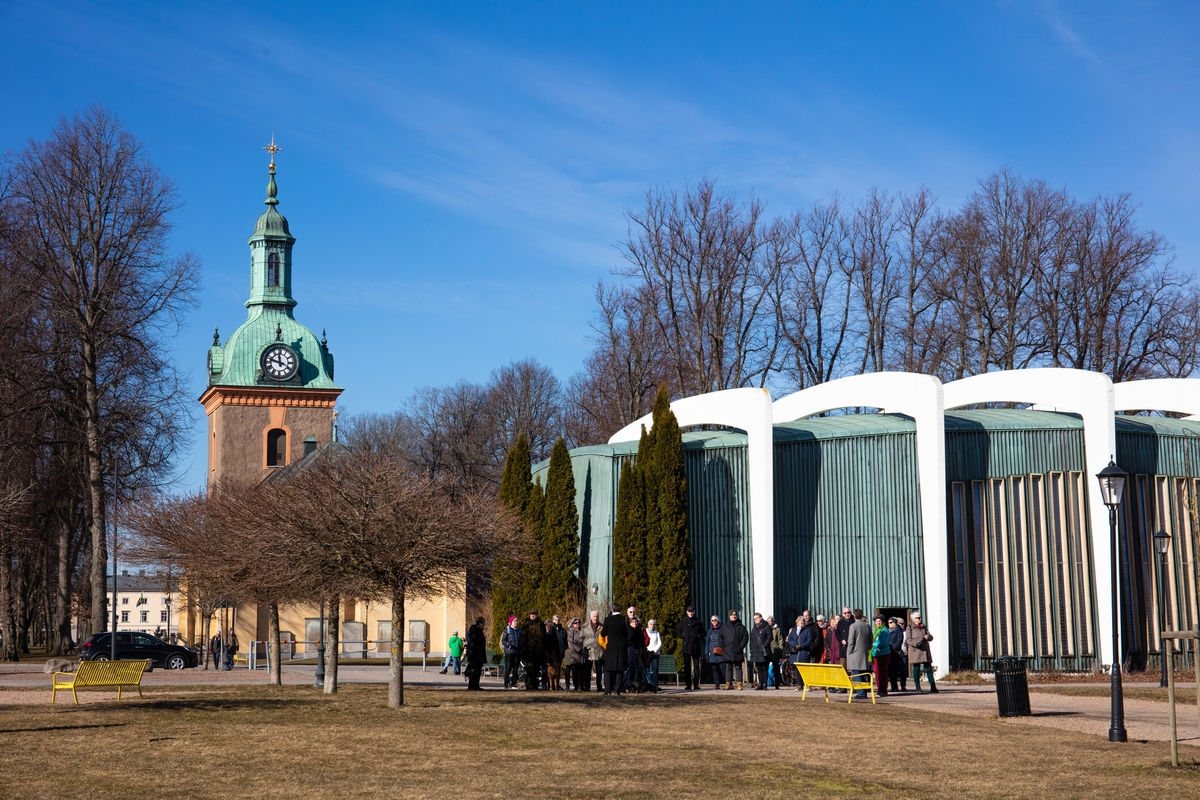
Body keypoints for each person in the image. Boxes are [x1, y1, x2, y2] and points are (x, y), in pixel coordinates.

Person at [600, 603, 630, 696]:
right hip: (621, 648)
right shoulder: (624, 620)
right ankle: (617, 691)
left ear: (612, 610)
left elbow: (603, 633)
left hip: (611, 647)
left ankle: (608, 691)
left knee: (608, 669)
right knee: (619, 670)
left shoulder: (608, 620)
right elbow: (628, 634)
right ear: (620, 610)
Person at [905, 611, 938, 693]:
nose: (920, 619)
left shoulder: (923, 626)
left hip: (924, 650)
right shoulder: (909, 627)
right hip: (916, 650)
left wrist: (928, 637)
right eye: (918, 618)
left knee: (928, 668)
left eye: (920, 617)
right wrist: (916, 643)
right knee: (916, 668)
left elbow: (931, 637)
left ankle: (933, 686)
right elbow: (908, 640)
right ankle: (917, 687)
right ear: (913, 619)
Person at [676, 605, 706, 691]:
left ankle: (696, 685)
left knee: (696, 666)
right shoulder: (683, 622)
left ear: (694, 612)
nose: (691, 613)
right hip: (686, 646)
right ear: (687, 612)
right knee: (687, 666)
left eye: (692, 611)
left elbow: (703, 632)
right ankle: (688, 685)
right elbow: (678, 633)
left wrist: (698, 635)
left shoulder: (698, 622)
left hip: (695, 646)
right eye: (689, 611)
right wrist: (684, 636)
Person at [719, 610, 749, 690]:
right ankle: (728, 684)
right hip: (727, 651)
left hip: (737, 651)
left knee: (738, 668)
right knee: (728, 668)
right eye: (732, 615)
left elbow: (745, 637)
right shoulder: (724, 627)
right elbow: (720, 637)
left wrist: (741, 646)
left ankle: (739, 684)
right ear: (729, 616)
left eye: (735, 615)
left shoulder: (741, 627)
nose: (734, 616)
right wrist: (723, 646)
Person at [846, 609, 871, 700]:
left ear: (854, 616)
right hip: (864, 652)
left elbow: (851, 641)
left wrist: (849, 652)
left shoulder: (853, 626)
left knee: (856, 673)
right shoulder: (867, 626)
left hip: (855, 653)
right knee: (863, 673)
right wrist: (867, 649)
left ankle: (861, 693)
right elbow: (871, 640)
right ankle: (864, 692)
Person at [786, 614, 814, 691]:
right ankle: (799, 684)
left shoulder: (807, 630)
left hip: (803, 652)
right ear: (797, 622)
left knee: (805, 670)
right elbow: (790, 639)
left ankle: (807, 685)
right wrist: (795, 645)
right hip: (795, 653)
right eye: (799, 622)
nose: (801, 624)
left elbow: (809, 639)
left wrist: (802, 645)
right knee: (797, 670)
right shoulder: (793, 630)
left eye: (802, 622)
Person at [520, 609, 545, 690]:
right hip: (529, 650)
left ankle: (535, 684)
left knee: (536, 668)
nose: (533, 615)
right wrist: (524, 648)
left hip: (539, 650)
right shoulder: (526, 624)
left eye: (534, 614)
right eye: (531, 614)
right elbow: (522, 637)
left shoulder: (541, 624)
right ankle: (529, 684)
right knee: (529, 668)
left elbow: (544, 637)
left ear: (537, 614)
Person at [749, 612, 772, 690]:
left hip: (764, 650)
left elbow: (770, 637)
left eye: (757, 618)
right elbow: (752, 639)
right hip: (756, 651)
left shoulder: (766, 627)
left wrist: (765, 645)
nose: (755, 620)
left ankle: (765, 684)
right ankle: (760, 684)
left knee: (764, 667)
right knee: (758, 667)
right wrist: (751, 647)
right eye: (754, 619)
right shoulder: (754, 629)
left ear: (761, 618)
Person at [582, 610, 605, 692]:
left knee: (599, 671)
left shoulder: (602, 626)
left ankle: (599, 686)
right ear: (591, 617)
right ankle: (587, 686)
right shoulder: (584, 627)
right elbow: (581, 638)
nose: (595, 618)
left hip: (599, 652)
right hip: (588, 651)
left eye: (597, 616)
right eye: (594, 616)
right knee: (587, 670)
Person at [870, 615, 891, 698]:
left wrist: (872, 644)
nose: (878, 622)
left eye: (879, 621)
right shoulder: (875, 630)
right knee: (877, 673)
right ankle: (879, 689)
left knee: (882, 672)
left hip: (883, 654)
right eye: (877, 621)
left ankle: (883, 690)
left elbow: (883, 643)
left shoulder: (884, 630)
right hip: (875, 654)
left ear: (882, 622)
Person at [626, 616, 649, 693]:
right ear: (630, 623)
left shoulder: (640, 630)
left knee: (639, 670)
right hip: (632, 651)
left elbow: (642, 641)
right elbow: (628, 641)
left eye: (636, 622)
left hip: (639, 651)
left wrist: (641, 649)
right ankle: (630, 687)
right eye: (633, 622)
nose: (635, 623)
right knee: (631, 670)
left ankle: (639, 687)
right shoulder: (629, 630)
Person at [464, 616, 487, 691]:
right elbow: (473, 643)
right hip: (475, 654)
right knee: (474, 671)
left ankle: (476, 685)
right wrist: (472, 653)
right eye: (483, 624)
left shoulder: (479, 631)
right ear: (480, 623)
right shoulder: (475, 632)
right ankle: (472, 685)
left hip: (478, 654)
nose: (484, 625)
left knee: (477, 670)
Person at [565, 617, 587, 691]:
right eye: (575, 623)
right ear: (573, 624)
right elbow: (570, 643)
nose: (577, 624)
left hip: (582, 655)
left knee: (582, 672)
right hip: (574, 655)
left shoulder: (583, 631)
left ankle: (582, 686)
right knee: (575, 672)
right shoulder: (571, 632)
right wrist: (579, 649)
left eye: (579, 622)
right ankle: (576, 686)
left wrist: (584, 649)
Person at [500, 616, 521, 689]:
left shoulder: (519, 630)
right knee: (508, 668)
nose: (516, 622)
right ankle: (506, 683)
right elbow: (503, 640)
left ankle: (514, 683)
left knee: (516, 669)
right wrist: (508, 644)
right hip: (509, 652)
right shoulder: (507, 630)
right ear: (511, 622)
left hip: (517, 652)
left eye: (517, 621)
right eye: (515, 621)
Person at [887, 618, 907, 692]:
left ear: (895, 623)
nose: (889, 624)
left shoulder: (898, 630)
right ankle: (894, 686)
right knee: (891, 670)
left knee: (900, 670)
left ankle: (902, 686)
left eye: (891, 622)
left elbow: (899, 641)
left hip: (896, 653)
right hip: (889, 652)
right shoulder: (888, 631)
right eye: (888, 622)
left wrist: (893, 648)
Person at [705, 615, 724, 689]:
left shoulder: (722, 629)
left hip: (721, 652)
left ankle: (727, 683)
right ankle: (716, 684)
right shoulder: (709, 631)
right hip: (712, 652)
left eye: (715, 620)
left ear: (718, 620)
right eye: (712, 620)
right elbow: (707, 642)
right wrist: (706, 653)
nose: (714, 621)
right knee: (714, 669)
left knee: (722, 668)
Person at [550, 615, 568, 689]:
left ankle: (557, 685)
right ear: (553, 620)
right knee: (550, 670)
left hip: (560, 653)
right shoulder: (551, 629)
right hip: (552, 653)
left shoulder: (563, 630)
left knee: (558, 670)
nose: (557, 621)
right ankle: (550, 685)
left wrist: (563, 650)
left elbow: (565, 641)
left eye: (558, 619)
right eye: (555, 619)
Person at [544, 621, 562, 690]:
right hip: (545, 654)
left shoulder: (554, 634)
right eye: (547, 627)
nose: (548, 628)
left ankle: (555, 686)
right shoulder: (543, 633)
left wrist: (558, 654)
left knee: (555, 673)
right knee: (546, 673)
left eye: (550, 627)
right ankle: (546, 686)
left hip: (553, 655)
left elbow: (557, 644)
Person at [645, 619, 663, 691]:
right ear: (648, 624)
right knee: (646, 669)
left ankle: (655, 686)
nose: (652, 626)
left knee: (655, 670)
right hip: (647, 653)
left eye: (653, 624)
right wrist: (648, 650)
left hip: (655, 654)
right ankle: (648, 685)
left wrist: (654, 650)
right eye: (650, 624)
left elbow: (659, 643)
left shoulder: (656, 633)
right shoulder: (645, 631)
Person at [835, 607, 854, 672]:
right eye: (845, 613)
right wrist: (841, 640)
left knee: (851, 670)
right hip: (843, 648)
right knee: (843, 669)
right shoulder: (840, 622)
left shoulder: (854, 621)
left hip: (852, 648)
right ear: (843, 614)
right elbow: (837, 633)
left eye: (848, 612)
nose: (847, 614)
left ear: (851, 613)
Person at [768, 616, 785, 688]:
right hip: (768, 649)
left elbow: (780, 639)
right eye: (768, 621)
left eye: (770, 621)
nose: (769, 623)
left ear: (773, 621)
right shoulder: (766, 628)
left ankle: (777, 683)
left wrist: (780, 648)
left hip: (775, 649)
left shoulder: (777, 629)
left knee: (776, 667)